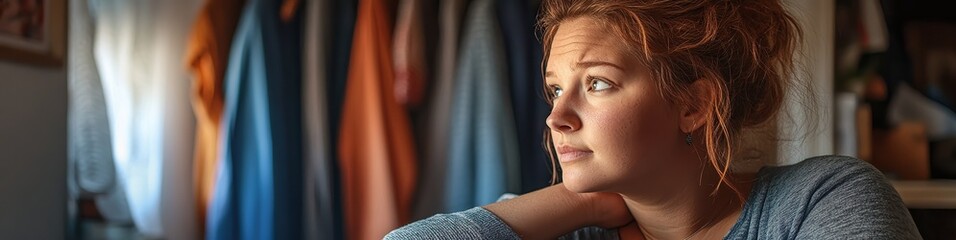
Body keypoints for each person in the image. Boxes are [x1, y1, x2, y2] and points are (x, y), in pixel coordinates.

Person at [386, 0, 922, 239]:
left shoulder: (821, 201)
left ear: (692, 105)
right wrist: (580, 201)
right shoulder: (567, 228)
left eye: (597, 84)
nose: (556, 117)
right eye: (554, 88)